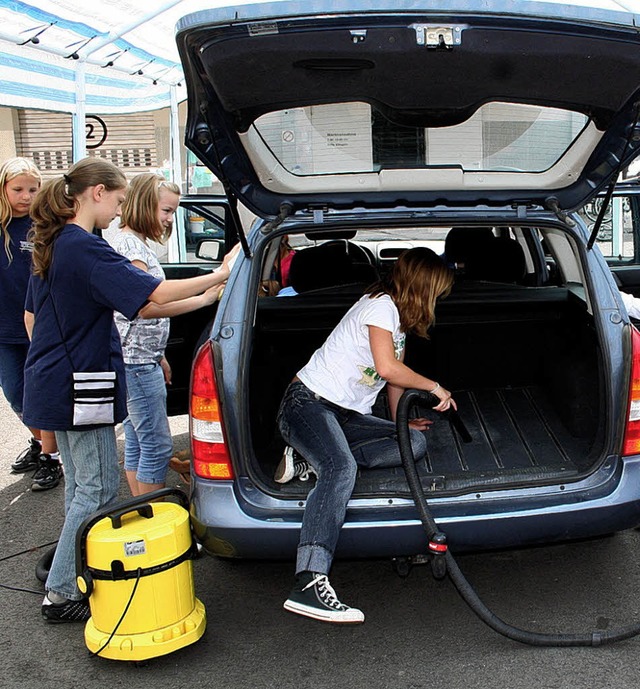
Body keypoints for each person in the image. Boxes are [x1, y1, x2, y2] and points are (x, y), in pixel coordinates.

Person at [22, 157, 236, 623]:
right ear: (96, 193)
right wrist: (222, 274)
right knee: (97, 491)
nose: (119, 211)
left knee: (81, 485)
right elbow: (153, 294)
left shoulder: (56, 242)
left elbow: (33, 319)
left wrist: (203, 296)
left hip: (54, 381)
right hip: (81, 386)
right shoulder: (83, 247)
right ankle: (61, 593)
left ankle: (73, 569)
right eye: (117, 201)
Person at [275, 247, 455, 624]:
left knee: (415, 444)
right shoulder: (380, 307)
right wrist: (435, 387)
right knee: (340, 469)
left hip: (343, 415)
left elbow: (392, 383)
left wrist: (399, 425)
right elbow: (389, 369)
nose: (438, 300)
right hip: (307, 404)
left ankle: (306, 456)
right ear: (423, 287)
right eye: (436, 292)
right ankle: (309, 580)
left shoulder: (398, 321)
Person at [110, 173, 231, 496]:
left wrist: (159, 354)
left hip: (139, 358)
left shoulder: (133, 243)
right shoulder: (130, 247)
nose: (168, 220)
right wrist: (206, 295)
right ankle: (153, 513)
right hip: (135, 362)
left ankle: (139, 507)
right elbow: (145, 307)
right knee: (156, 445)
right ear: (143, 204)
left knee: (139, 439)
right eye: (165, 210)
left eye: (172, 212)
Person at [0, 157, 62, 490]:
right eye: (18, 189)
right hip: (5, 329)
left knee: (42, 395)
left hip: (39, 325)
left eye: (33, 189)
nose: (26, 196)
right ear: (3, 190)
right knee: (16, 395)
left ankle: (52, 458)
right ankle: (41, 444)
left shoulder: (43, 226)